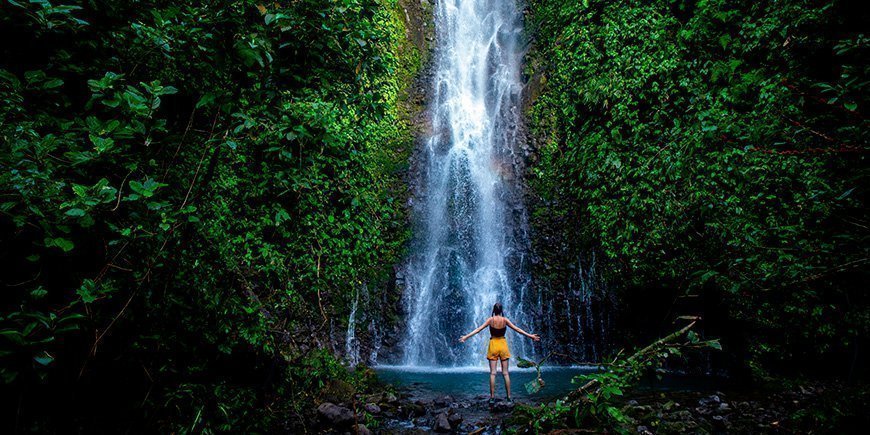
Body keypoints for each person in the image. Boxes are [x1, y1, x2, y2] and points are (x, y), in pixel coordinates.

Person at [459, 302, 540, 404]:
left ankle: (492, 397)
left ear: (493, 310)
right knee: (505, 373)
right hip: (503, 345)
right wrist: (530, 336)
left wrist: (466, 337)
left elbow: (478, 329)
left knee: (493, 373)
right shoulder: (505, 320)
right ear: (501, 311)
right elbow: (517, 329)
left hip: (493, 345)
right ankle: (509, 397)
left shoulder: (490, 320)